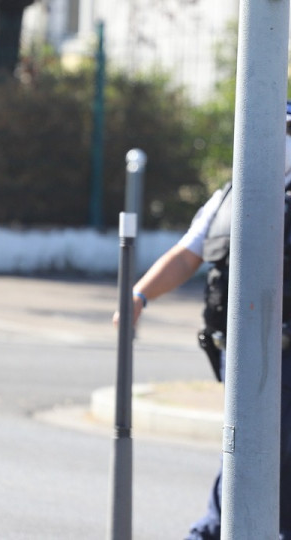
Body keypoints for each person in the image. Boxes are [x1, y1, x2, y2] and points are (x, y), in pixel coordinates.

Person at [114, 104, 291, 539]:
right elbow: (188, 254)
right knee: (245, 449)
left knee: (269, 454)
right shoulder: (232, 195)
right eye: (277, 128)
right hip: (241, 350)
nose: (281, 139)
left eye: (287, 129)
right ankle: (213, 530)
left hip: (281, 350)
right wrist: (139, 295)